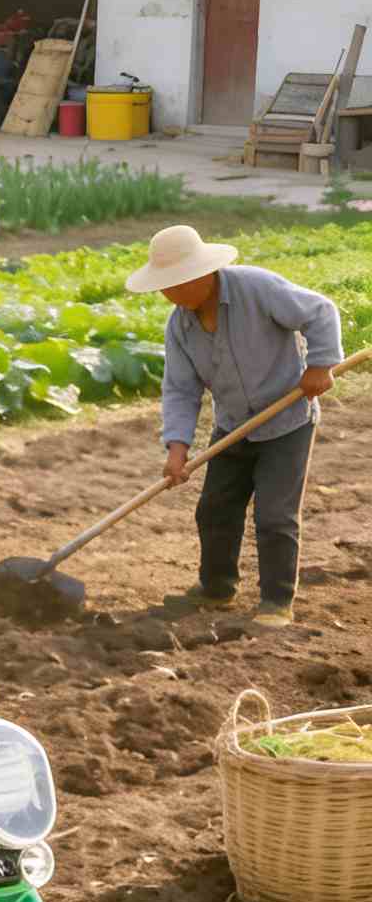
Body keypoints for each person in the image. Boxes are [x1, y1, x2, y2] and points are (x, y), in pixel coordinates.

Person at [127, 223, 343, 627]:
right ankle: (217, 588)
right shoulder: (180, 326)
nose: (168, 294)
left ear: (200, 274)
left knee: (275, 515)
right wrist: (177, 447)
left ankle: (277, 601)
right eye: (163, 286)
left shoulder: (257, 289)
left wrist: (319, 365)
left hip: (287, 421)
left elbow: (320, 312)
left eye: (174, 284)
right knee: (214, 509)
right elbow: (180, 389)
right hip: (232, 426)